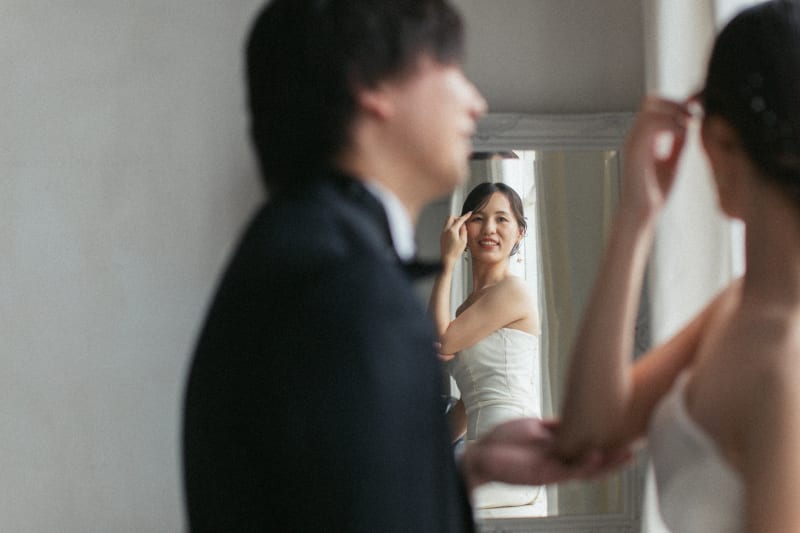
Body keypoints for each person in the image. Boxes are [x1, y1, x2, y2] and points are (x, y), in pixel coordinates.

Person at [181, 1, 623, 531]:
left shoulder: (298, 252)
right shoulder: (347, 287)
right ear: (373, 88)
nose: (475, 101)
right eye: (450, 68)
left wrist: (469, 470)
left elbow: (343, 493)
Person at [553, 1, 800, 532]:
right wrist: (635, 217)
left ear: (719, 140)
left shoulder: (783, 361)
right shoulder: (741, 305)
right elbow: (588, 431)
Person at [429, 182, 545, 511]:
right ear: (463, 227)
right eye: (478, 218)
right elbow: (469, 405)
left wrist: (446, 261)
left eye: (501, 219)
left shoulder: (513, 291)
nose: (489, 229)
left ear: (520, 232)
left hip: (516, 454)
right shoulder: (466, 310)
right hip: (480, 456)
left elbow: (441, 339)